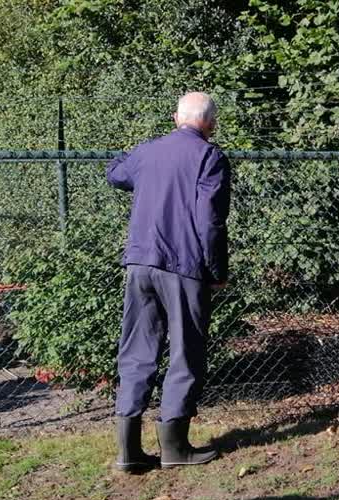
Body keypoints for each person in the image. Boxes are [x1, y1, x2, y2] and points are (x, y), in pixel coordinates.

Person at [105, 92, 231, 471]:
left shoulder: (147, 152)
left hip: (139, 263)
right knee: (185, 351)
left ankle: (128, 451)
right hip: (183, 266)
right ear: (211, 123)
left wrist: (135, 157)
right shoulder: (210, 158)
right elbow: (210, 222)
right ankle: (175, 448)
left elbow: (115, 173)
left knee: (137, 350)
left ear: (176, 117)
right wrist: (216, 271)